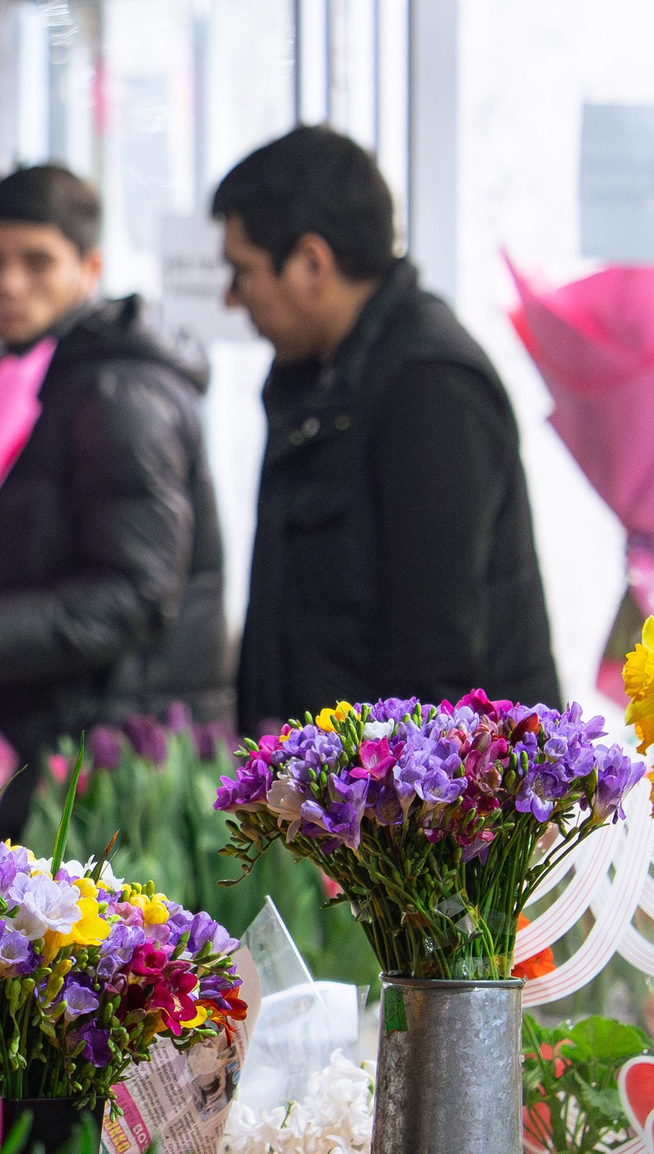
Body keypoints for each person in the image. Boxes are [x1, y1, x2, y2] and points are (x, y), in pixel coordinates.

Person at [0, 164, 229, 840]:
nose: (8, 282)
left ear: (90, 267)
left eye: (37, 262)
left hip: (109, 761)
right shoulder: (21, 377)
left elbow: (136, 596)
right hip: (39, 736)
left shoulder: (119, 395)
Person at [213, 126, 560, 729]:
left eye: (244, 273)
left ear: (311, 262)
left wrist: (397, 815)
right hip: (342, 790)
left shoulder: (428, 387)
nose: (233, 300)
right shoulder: (319, 379)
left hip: (422, 800)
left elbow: (435, 652)